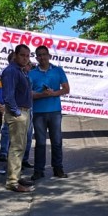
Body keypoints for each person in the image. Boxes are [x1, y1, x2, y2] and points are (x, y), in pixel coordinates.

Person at [29, 45, 70, 180]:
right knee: (40, 143)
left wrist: (54, 93)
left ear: (49, 56)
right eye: (39, 55)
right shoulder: (32, 73)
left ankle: (58, 169)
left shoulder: (58, 71)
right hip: (38, 113)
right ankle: (38, 170)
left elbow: (66, 89)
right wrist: (42, 95)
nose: (42, 57)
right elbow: (28, 94)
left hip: (55, 112)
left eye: (44, 54)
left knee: (56, 141)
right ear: (36, 57)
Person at [2, 44, 35, 193]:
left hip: (24, 111)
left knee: (21, 146)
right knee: (16, 147)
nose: (25, 58)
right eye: (22, 55)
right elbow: (8, 95)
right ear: (15, 55)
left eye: (28, 56)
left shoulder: (21, 71)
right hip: (18, 113)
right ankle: (13, 182)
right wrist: (16, 113)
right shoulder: (11, 71)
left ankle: (16, 175)